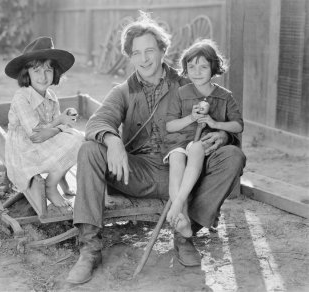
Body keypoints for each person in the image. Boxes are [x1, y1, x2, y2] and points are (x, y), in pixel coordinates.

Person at [66, 12, 245, 284]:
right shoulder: (122, 91)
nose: (144, 58)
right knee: (89, 149)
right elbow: (99, 121)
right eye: (136, 53)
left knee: (233, 156)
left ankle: (185, 234)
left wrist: (222, 136)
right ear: (130, 57)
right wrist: (112, 140)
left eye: (150, 50)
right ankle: (90, 248)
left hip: (185, 170)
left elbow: (223, 117)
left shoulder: (188, 83)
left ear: (163, 50)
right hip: (136, 173)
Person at [163, 39, 244, 239]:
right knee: (176, 159)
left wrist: (215, 124)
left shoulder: (224, 96)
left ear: (213, 68)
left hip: (203, 147)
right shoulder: (181, 94)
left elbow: (238, 125)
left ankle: (177, 204)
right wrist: (190, 118)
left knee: (197, 147)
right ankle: (180, 216)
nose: (196, 72)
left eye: (203, 67)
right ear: (185, 69)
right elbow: (169, 125)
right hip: (180, 143)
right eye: (191, 66)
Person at [4, 36, 84, 207]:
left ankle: (59, 175)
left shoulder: (51, 97)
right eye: (37, 70)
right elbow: (36, 135)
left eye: (48, 70)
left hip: (43, 140)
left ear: (55, 72)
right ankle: (50, 186)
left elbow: (56, 126)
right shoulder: (21, 97)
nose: (43, 76)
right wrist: (60, 122)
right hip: (25, 148)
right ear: (27, 73)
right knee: (74, 139)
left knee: (81, 138)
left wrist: (64, 119)